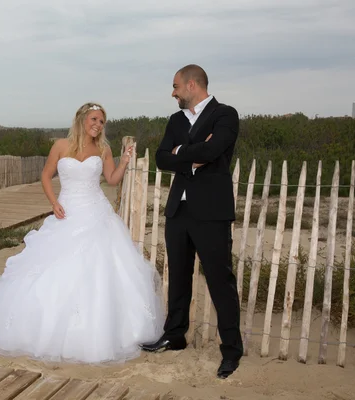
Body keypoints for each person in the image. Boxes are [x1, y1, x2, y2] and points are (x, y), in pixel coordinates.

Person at [0, 102, 165, 364]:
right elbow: (46, 176)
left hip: (96, 213)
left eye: (102, 121)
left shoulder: (103, 148)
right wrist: (53, 202)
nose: (98, 125)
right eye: (93, 119)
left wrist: (124, 161)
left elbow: (112, 179)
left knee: (100, 268)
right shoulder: (60, 146)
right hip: (67, 211)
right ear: (81, 119)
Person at [139, 64, 243, 379]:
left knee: (219, 281)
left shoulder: (226, 115)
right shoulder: (175, 120)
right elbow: (160, 157)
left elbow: (214, 149)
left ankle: (232, 351)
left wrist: (181, 151)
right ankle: (175, 336)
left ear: (192, 84)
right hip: (178, 211)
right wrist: (192, 154)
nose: (173, 93)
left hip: (212, 211)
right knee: (179, 277)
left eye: (175, 87)